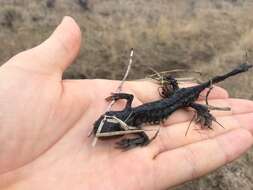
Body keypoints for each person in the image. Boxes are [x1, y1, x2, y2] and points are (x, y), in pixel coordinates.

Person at [0, 16, 252, 190]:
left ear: (117, 124)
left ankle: (217, 93)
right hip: (172, 100)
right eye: (103, 124)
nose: (101, 127)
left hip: (180, 101)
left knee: (192, 101)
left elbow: (145, 136)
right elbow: (131, 103)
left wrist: (135, 137)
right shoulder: (130, 114)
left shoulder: (134, 120)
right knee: (185, 97)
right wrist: (120, 98)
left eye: (105, 125)